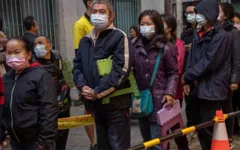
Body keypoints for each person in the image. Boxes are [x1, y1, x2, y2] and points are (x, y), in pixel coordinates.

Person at [73, 0, 133, 149]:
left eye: (102, 12)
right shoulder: (85, 41)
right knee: (103, 146)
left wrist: (97, 91)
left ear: (111, 16)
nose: (97, 15)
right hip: (96, 106)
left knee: (118, 146)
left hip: (116, 106)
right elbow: (77, 67)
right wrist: (82, 86)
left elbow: (121, 71)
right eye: (94, 12)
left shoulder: (119, 37)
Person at [183, 0, 232, 149]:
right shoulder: (198, 33)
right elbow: (191, 57)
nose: (197, 17)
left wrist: (188, 75)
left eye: (199, 13)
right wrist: (187, 80)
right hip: (197, 87)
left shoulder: (222, 36)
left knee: (208, 127)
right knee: (200, 127)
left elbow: (210, 61)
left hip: (212, 88)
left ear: (209, 14)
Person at [0, 37, 58, 150]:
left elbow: (49, 108)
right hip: (16, 141)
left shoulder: (41, 76)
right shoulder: (7, 78)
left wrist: (44, 141)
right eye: (9, 53)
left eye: (17, 52)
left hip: (36, 142)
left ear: (29, 54)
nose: (12, 56)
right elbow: (3, 109)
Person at [134, 10, 179, 150]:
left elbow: (173, 73)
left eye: (148, 23)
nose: (144, 27)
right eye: (142, 24)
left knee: (158, 142)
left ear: (157, 26)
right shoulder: (134, 46)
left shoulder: (166, 48)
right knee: (147, 141)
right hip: (142, 101)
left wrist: (170, 92)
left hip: (160, 101)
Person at [33, 36, 71, 150]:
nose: (37, 46)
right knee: (47, 141)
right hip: (45, 108)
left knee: (62, 139)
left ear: (49, 46)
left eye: (40, 43)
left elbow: (62, 77)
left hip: (62, 105)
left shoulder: (57, 58)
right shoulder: (32, 63)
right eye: (35, 44)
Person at [161, 13, 189, 150]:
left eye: (161, 23)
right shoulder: (155, 43)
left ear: (170, 28)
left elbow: (177, 68)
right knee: (160, 129)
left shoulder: (178, 44)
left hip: (173, 92)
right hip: (157, 93)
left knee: (175, 126)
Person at [72, 0, 97, 149]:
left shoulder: (101, 21)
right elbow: (78, 54)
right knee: (89, 110)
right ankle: (93, 142)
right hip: (88, 75)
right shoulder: (80, 25)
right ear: (89, 3)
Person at [218, 3, 240, 149]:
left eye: (218, 11)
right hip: (215, 77)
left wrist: (234, 79)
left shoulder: (233, 32)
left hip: (227, 77)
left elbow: (236, 58)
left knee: (227, 107)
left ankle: (230, 137)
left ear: (225, 15)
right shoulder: (214, 29)